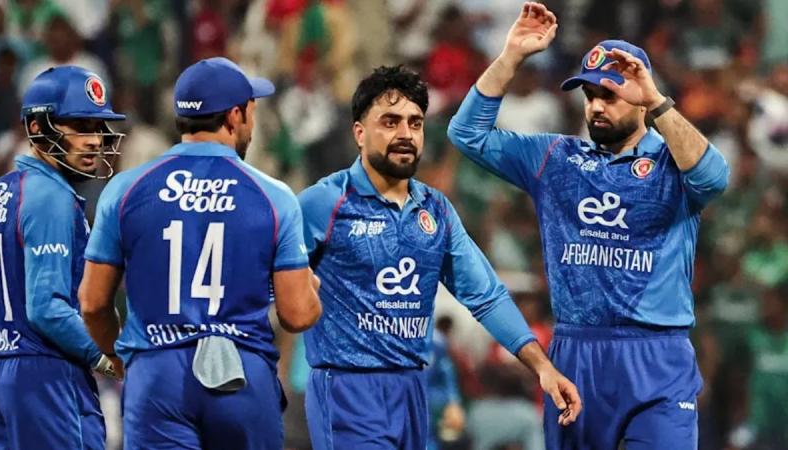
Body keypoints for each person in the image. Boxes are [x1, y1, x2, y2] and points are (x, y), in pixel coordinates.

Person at [447, 3, 730, 449]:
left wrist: (657, 102)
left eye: (609, 96)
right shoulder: (556, 158)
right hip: (576, 355)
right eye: (589, 95)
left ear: (639, 97)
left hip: (657, 356)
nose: (596, 106)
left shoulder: (674, 162)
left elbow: (715, 178)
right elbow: (467, 134)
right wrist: (511, 57)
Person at [299, 64, 581, 450]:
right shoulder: (323, 203)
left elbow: (486, 296)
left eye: (414, 123)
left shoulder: (436, 210)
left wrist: (542, 367)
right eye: (390, 122)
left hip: (414, 389)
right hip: (348, 389)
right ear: (359, 133)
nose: (405, 134)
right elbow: (269, 283)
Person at [78, 57, 322, 450]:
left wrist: (116, 357)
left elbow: (92, 304)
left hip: (157, 372)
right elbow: (296, 314)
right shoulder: (273, 196)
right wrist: (312, 291)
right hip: (241, 374)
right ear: (235, 116)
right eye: (251, 111)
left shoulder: (126, 189)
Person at [0, 65, 124, 449]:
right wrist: (105, 356)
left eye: (97, 128)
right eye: (79, 126)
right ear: (37, 128)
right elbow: (46, 308)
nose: (94, 140)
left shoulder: (1, 189)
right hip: (44, 374)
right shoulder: (52, 196)